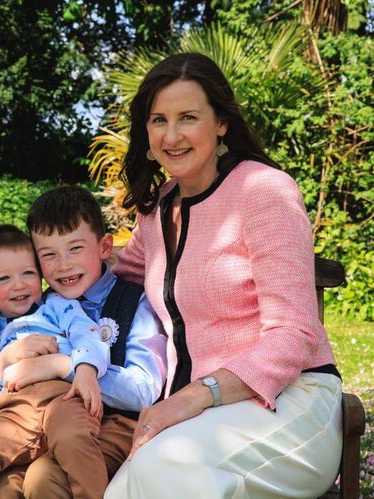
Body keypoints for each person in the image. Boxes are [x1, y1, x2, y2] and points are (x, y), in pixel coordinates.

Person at [105, 52, 342, 498]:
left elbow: (295, 332)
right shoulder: (156, 212)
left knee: (164, 470)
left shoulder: (264, 191)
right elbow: (116, 276)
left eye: (188, 117)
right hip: (194, 418)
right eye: (158, 120)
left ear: (221, 123)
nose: (171, 136)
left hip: (290, 404)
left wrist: (193, 397)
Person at [0, 185, 167, 499]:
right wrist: (7, 358)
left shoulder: (132, 301)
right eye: (49, 255)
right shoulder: (39, 305)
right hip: (43, 422)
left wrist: (62, 365)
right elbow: (5, 364)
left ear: (104, 247)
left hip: (116, 424)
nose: (63, 265)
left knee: (44, 480)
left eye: (75, 248)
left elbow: (143, 392)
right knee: (4, 485)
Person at [0, 224, 113, 499]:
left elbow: (87, 333)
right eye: (3, 279)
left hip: (64, 397)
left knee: (72, 439)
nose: (19, 284)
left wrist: (85, 369)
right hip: (14, 411)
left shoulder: (58, 307)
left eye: (28, 273)